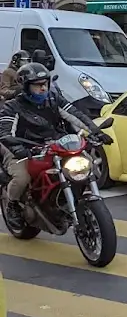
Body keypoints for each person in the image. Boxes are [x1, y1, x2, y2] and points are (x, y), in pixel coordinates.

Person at [0, 63, 112, 226]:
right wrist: (19, 149)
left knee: (84, 162)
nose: (43, 89)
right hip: (23, 147)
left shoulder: (54, 99)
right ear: (25, 86)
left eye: (45, 84)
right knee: (22, 177)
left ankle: (73, 198)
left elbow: (75, 114)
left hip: (54, 144)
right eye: (37, 86)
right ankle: (12, 205)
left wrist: (96, 131)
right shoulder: (13, 106)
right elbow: (5, 133)